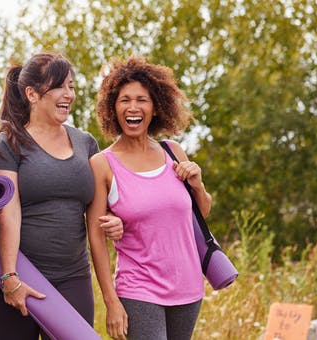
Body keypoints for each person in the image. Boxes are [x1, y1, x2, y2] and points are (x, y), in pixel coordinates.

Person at [0, 52, 123, 339]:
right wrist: (9, 276)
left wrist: (114, 221)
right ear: (31, 93)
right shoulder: (8, 142)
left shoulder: (86, 143)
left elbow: (98, 212)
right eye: (59, 86)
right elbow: (10, 211)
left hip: (73, 276)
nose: (68, 94)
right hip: (20, 273)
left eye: (71, 86)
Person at [87, 55, 212, 340]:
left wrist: (198, 184)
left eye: (142, 100)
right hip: (139, 289)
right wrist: (111, 301)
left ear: (155, 107)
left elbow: (200, 214)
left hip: (188, 289)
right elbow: (95, 237)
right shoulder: (102, 164)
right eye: (124, 100)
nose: (133, 107)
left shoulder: (173, 152)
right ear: (113, 108)